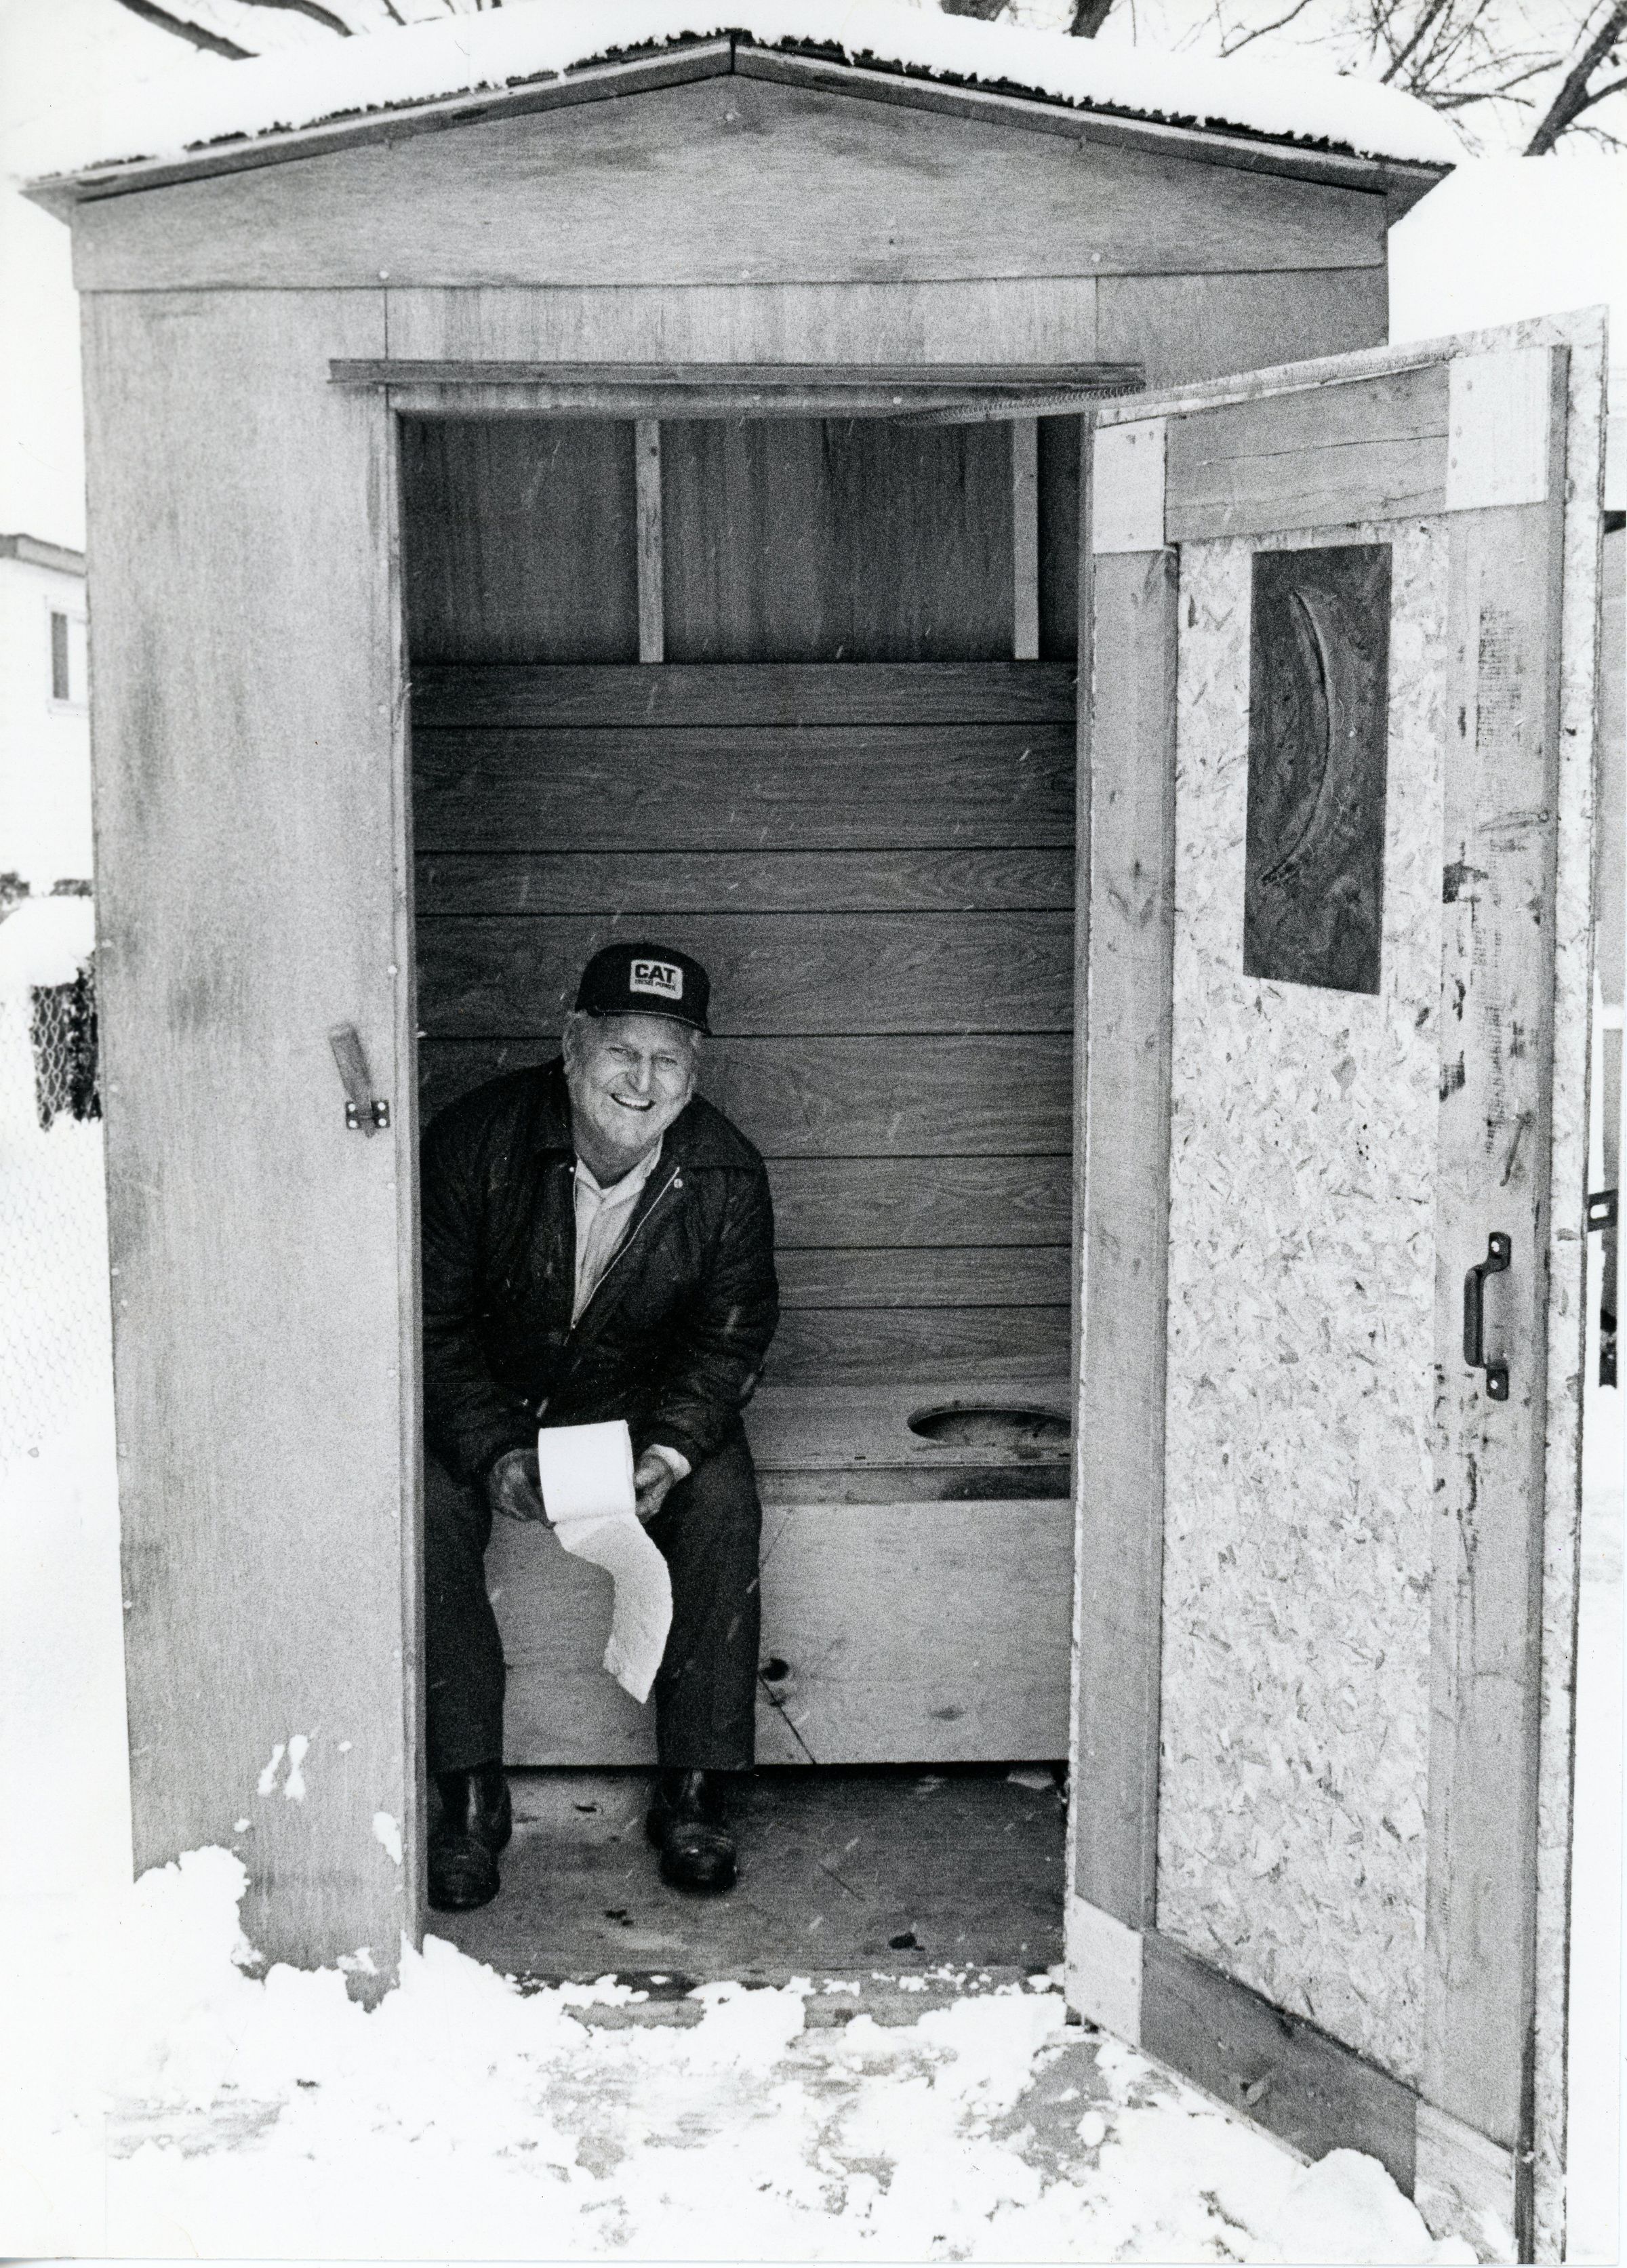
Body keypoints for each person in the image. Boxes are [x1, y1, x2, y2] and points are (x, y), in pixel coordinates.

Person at [418, 942, 778, 1912]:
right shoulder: (476, 1143)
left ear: (694, 1071)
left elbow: (729, 1340)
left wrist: (670, 1448)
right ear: (573, 1043)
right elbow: (432, 1326)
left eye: (668, 1060)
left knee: (722, 1497)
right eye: (622, 1051)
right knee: (428, 1507)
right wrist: (491, 1446)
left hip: (635, 1408)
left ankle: (695, 1790)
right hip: (494, 1398)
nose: (641, 1083)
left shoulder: (726, 1172)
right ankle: (469, 1793)